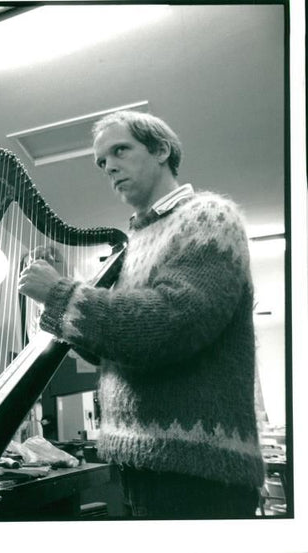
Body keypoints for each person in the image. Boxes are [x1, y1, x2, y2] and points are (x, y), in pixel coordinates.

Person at [18, 110, 264, 518]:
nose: (109, 166)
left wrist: (61, 293)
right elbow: (115, 346)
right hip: (138, 464)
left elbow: (168, 324)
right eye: (101, 161)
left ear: (161, 150)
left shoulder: (209, 217)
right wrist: (61, 302)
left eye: (120, 150)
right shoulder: (134, 245)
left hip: (197, 471)